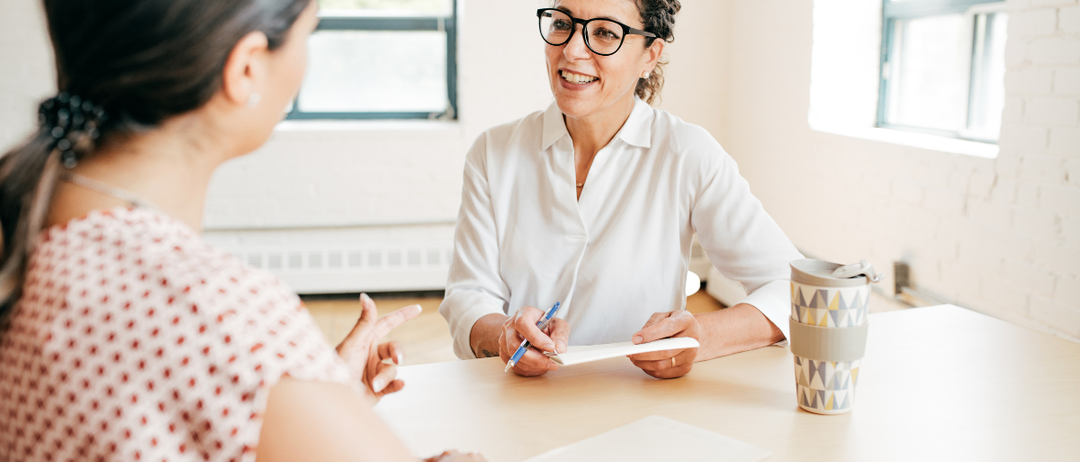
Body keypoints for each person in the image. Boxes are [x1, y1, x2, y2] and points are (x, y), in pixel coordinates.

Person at [0, 1, 482, 461]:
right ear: (247, 66)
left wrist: (312, 398)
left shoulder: (27, 231)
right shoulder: (222, 317)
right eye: (308, 33)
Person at [439, 0, 803, 379]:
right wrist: (504, 333)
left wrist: (701, 336)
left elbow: (793, 289)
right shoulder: (493, 151)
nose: (572, 50)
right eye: (562, 23)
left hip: (638, 399)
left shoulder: (687, 152)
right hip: (517, 397)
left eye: (604, 32)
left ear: (650, 55)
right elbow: (469, 295)